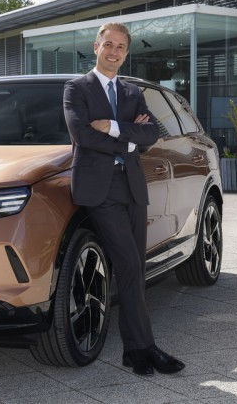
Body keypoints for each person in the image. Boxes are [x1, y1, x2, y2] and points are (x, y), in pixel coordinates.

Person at [63, 22, 185, 376]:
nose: (114, 52)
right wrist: (131, 137)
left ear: (126, 53)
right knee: (130, 265)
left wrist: (115, 128)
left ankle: (134, 352)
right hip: (100, 190)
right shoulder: (77, 88)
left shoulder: (132, 93)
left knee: (136, 268)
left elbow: (150, 135)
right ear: (96, 46)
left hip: (132, 185)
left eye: (120, 47)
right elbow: (81, 135)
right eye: (108, 45)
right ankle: (145, 347)